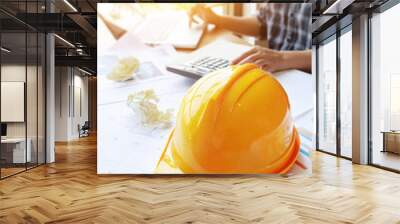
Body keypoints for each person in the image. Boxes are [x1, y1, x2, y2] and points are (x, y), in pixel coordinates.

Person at [189, 3, 312, 73]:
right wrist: (217, 19)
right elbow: (261, 24)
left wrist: (282, 58)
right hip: (278, 73)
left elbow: (330, 52)